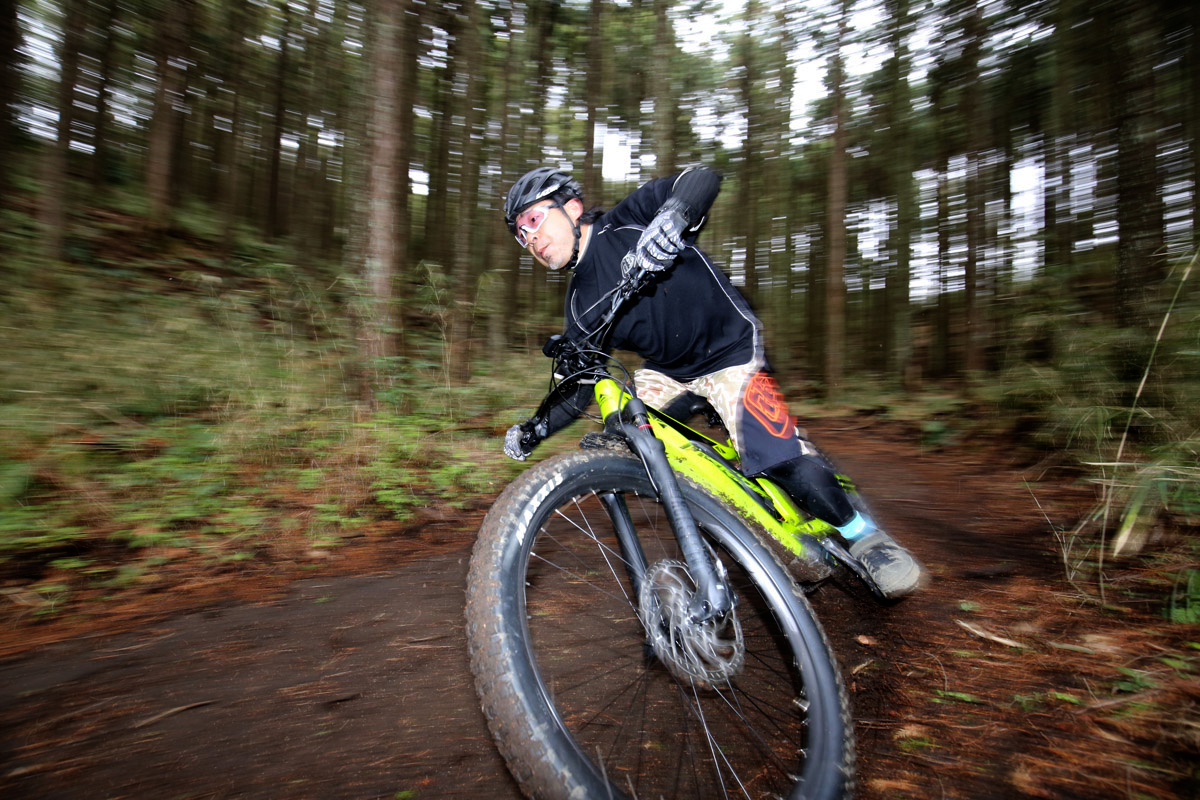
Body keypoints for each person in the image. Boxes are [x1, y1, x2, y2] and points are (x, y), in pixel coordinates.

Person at [500, 165, 924, 599]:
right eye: (520, 233)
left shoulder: (631, 218)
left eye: (533, 219)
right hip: (670, 372)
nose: (529, 238)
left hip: (731, 352)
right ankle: (727, 511)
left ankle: (864, 536)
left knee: (778, 458)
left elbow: (701, 178)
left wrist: (673, 219)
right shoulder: (579, 304)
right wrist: (536, 428)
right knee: (624, 434)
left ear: (571, 208)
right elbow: (579, 385)